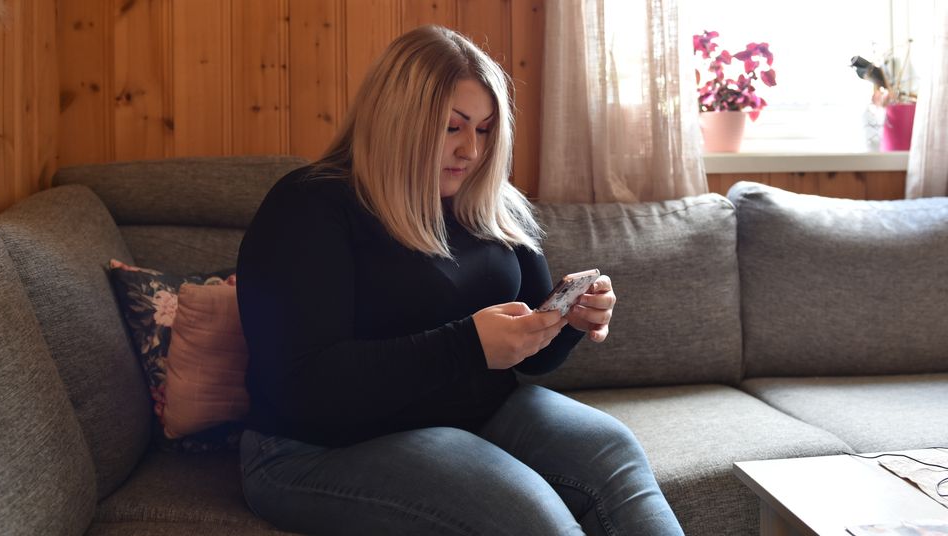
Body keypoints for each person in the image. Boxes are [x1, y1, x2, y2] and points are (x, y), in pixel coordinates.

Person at [236, 25, 684, 536]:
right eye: (452, 127)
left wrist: (567, 321)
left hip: (475, 415)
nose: (471, 150)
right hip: (315, 446)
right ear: (396, 119)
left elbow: (534, 360)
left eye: (486, 129)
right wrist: (468, 345)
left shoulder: (493, 206)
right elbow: (301, 385)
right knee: (529, 516)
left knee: (614, 450)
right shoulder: (310, 205)